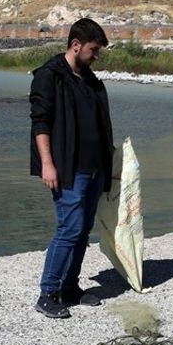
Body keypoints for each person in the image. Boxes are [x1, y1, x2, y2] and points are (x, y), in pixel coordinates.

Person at [29, 18, 114, 319]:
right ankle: (48, 293)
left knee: (83, 230)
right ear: (76, 45)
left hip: (94, 169)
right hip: (67, 169)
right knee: (70, 229)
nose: (96, 56)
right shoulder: (49, 76)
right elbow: (40, 123)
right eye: (93, 50)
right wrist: (48, 165)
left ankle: (70, 287)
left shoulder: (90, 80)